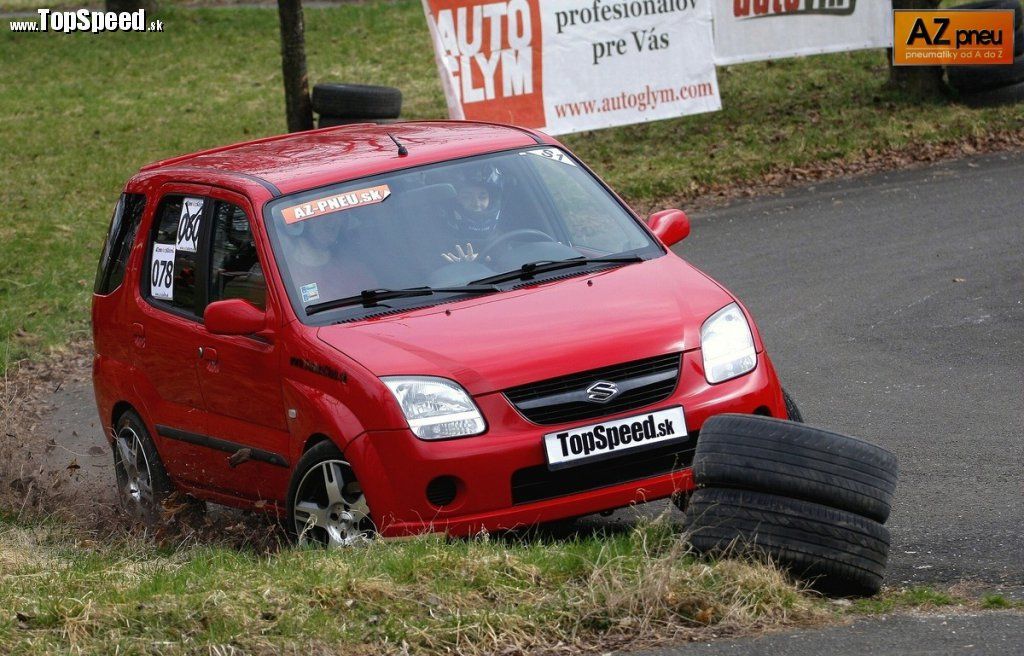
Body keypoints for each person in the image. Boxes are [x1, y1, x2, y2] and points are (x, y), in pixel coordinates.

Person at [442, 166, 504, 263]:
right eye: (466, 197)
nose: (476, 204)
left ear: (491, 200)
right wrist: (462, 267)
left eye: (482, 197)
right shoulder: (443, 234)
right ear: (456, 201)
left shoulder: (504, 230)